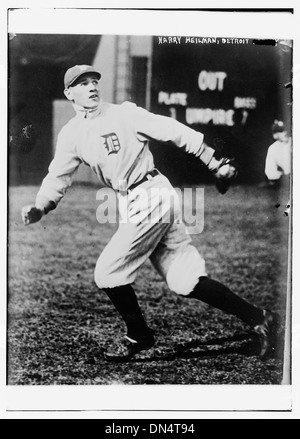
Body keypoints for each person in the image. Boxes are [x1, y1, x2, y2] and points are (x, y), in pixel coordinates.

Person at [21, 64, 279, 362]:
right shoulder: (72, 134)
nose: (91, 87)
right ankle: (261, 318)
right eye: (82, 84)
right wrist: (41, 205)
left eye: (94, 81)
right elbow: (58, 176)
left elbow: (172, 130)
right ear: (69, 93)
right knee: (184, 279)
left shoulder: (123, 114)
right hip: (133, 200)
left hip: (152, 192)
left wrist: (213, 160)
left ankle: (138, 335)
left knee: (107, 272)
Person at [265, 120, 292, 188]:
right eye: (280, 131)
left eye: (285, 130)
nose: (284, 133)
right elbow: (270, 172)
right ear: (275, 135)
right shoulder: (273, 148)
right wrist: (283, 176)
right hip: (286, 180)